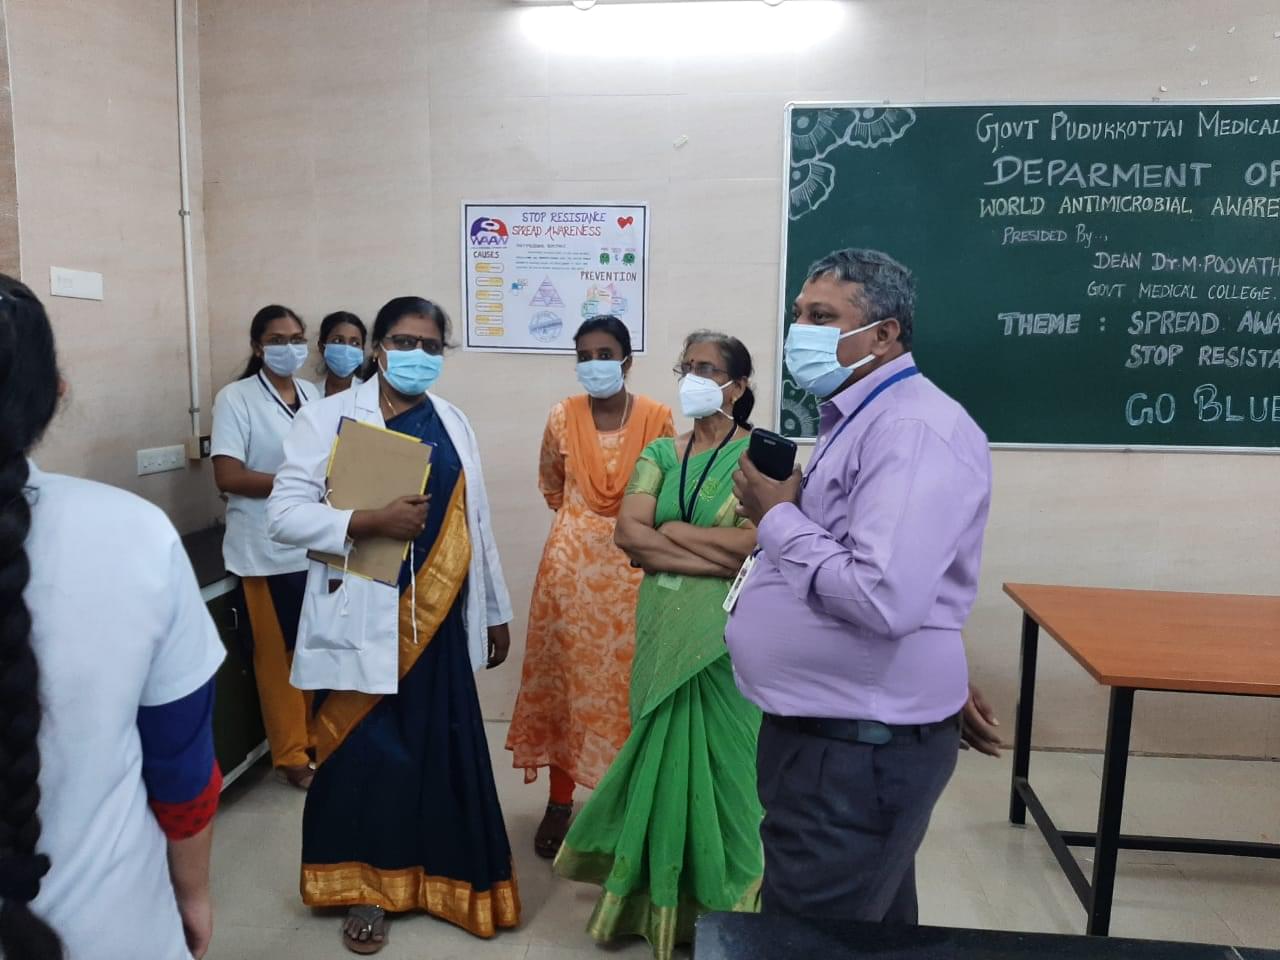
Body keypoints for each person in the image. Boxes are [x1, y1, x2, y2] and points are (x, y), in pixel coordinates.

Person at [728, 248, 993, 925]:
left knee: (812, 934)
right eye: (798, 315)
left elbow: (882, 598)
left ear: (884, 334)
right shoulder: (863, 417)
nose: (801, 332)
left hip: (853, 750)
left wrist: (777, 516)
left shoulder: (909, 428)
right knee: (864, 926)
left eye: (823, 316)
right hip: (845, 731)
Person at [267, 296, 518, 954]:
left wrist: (495, 609)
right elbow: (284, 516)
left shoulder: (454, 420)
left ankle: (441, 878)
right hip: (359, 614)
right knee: (364, 758)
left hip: (439, 623)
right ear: (379, 347)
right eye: (406, 341)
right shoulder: (328, 419)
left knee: (438, 752)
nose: (420, 355)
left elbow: (477, 524)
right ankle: (364, 890)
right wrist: (365, 522)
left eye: (433, 346)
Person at [0, 275, 225, 960]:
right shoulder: (131, 534)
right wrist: (193, 894)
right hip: (109, 924)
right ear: (55, 392)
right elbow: (183, 769)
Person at [555, 331, 763, 960]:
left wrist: (671, 532)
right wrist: (707, 549)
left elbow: (758, 543)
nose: (694, 376)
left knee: (726, 764)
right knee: (657, 750)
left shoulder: (764, 458)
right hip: (661, 620)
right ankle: (649, 897)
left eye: (709, 368)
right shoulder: (660, 451)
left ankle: (726, 899)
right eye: (688, 366)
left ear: (739, 385)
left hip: (726, 631)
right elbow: (629, 536)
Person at [506, 315, 674, 859]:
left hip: (634, 571)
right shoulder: (562, 416)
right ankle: (560, 802)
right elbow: (551, 486)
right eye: (585, 355)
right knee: (565, 686)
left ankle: (623, 803)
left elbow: (667, 493)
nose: (594, 364)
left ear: (626, 359)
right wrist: (584, 529)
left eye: (606, 353)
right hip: (569, 576)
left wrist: (620, 534)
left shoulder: (657, 417)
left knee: (625, 691)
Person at [211, 304, 319, 790]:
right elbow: (228, 475)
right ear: (257, 346)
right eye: (277, 339)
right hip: (264, 547)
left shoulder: (312, 393)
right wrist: (296, 484)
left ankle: (315, 738)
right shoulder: (235, 399)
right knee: (277, 660)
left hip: (311, 542)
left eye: (297, 337)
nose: (289, 347)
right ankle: (292, 755)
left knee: (312, 650)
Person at [318, 310, 367, 396]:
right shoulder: (310, 393)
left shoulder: (371, 393)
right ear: (322, 347)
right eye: (338, 341)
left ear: (362, 350)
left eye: (355, 343)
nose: (346, 349)